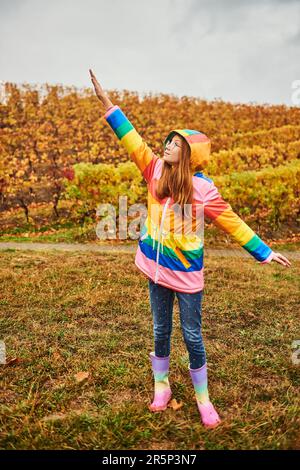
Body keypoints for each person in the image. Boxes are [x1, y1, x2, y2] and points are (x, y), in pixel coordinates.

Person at [89, 69, 291, 430]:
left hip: (186, 276)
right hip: (154, 269)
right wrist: (109, 105)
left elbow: (231, 221)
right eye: (167, 141)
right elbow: (131, 140)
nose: (166, 144)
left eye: (174, 143)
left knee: (192, 335)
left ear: (188, 155)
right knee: (160, 330)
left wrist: (264, 251)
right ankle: (161, 387)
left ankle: (203, 399)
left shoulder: (203, 191)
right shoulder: (154, 172)